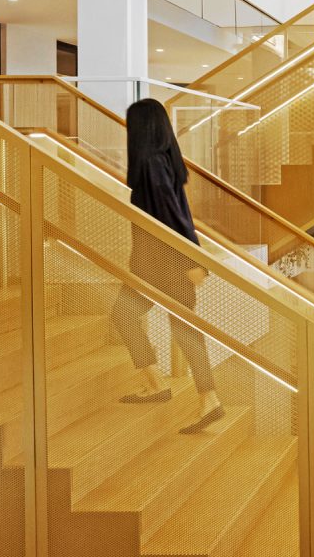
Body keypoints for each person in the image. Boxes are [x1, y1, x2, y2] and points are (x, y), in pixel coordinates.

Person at [112, 98, 225, 435]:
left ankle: (193, 394)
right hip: (160, 262)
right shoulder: (162, 160)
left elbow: (171, 216)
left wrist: (191, 261)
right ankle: (174, 388)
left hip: (161, 264)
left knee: (132, 317)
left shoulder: (150, 162)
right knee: (178, 326)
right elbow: (178, 214)